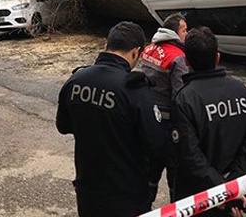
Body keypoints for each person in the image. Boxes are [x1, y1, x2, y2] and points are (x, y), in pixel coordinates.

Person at [56, 21, 166, 217]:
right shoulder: (135, 90)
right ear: (135, 52)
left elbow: (63, 126)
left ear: (107, 44)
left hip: (88, 186)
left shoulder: (77, 80)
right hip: (125, 193)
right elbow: (156, 145)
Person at [171, 26, 246, 217]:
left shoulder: (185, 99)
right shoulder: (241, 91)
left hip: (198, 198)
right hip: (234, 195)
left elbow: (190, 157)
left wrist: (221, 191)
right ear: (217, 57)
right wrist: (233, 186)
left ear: (186, 61)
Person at [136, 12, 189, 204]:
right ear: (174, 32)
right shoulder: (178, 57)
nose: (187, 34)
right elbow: (180, 96)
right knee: (175, 178)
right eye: (184, 30)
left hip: (149, 118)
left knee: (149, 176)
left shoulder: (149, 48)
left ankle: (143, 207)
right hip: (169, 126)